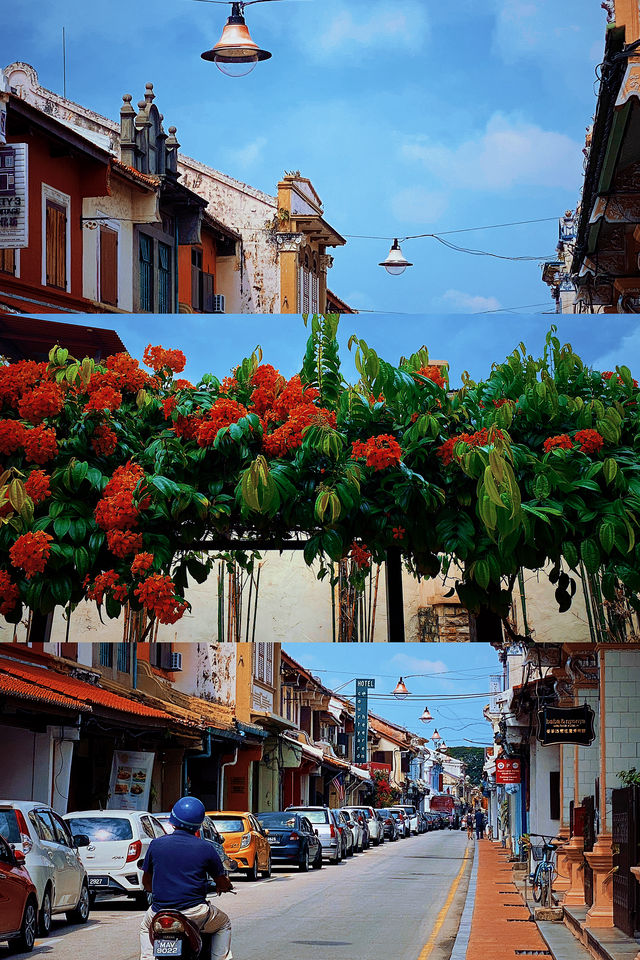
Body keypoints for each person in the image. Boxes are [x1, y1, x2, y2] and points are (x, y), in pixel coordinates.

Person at [139, 796, 234, 960]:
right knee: (223, 923)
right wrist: (226, 886)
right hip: (194, 912)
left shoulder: (156, 844)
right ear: (199, 824)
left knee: (144, 927)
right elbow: (221, 881)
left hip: (159, 911)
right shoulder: (206, 848)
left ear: (172, 820)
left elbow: (146, 883)